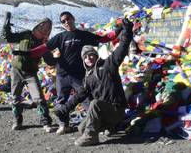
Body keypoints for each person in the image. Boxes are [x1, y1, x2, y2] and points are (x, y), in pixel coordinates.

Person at [25, 11, 121, 134]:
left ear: (73, 19)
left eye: (68, 19)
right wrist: (28, 53)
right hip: (62, 75)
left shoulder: (83, 35)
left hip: (79, 74)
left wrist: (118, 31)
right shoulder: (60, 37)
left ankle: (97, 124)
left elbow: (103, 39)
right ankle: (64, 125)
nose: (66, 22)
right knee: (61, 100)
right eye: (63, 21)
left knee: (87, 99)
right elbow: (44, 48)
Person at [54, 18, 133, 146]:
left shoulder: (108, 65)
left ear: (96, 56)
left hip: (116, 109)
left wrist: (127, 31)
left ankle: (92, 137)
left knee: (95, 104)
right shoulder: (88, 78)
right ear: (83, 61)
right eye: (85, 57)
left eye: (91, 55)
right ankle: (110, 127)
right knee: (81, 128)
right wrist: (65, 109)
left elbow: (122, 48)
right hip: (104, 112)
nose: (88, 58)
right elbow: (79, 95)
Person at [2, 12, 57, 132]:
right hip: (16, 70)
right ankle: (17, 120)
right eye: (43, 24)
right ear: (38, 25)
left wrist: (62, 56)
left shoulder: (45, 44)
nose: (44, 27)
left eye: (48, 27)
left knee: (39, 98)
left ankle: (46, 122)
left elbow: (50, 61)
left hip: (31, 73)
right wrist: (6, 24)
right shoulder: (26, 34)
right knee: (15, 97)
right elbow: (9, 37)